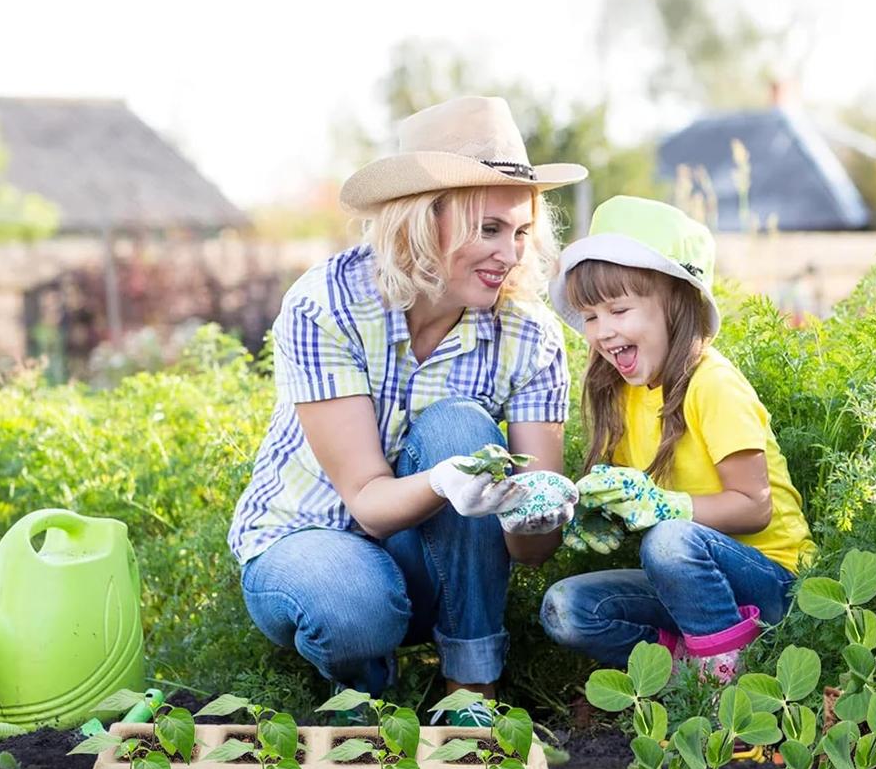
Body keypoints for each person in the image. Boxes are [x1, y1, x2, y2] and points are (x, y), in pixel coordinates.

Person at [228, 96, 586, 723]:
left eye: (521, 231)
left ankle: (470, 689)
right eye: (489, 229)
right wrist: (447, 481)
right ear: (424, 221)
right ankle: (365, 691)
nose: (511, 255)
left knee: (460, 427)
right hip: (312, 541)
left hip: (428, 565)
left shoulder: (530, 336)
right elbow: (366, 499)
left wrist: (538, 509)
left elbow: (532, 551)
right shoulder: (329, 304)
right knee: (352, 606)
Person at [540, 196, 815, 680]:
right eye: (590, 316)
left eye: (618, 309)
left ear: (675, 304)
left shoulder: (713, 384)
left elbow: (755, 507)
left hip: (773, 580)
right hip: (690, 586)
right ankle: (699, 666)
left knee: (667, 542)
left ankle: (725, 688)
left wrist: (667, 507)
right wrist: (595, 509)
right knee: (566, 608)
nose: (603, 331)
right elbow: (643, 507)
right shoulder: (621, 392)